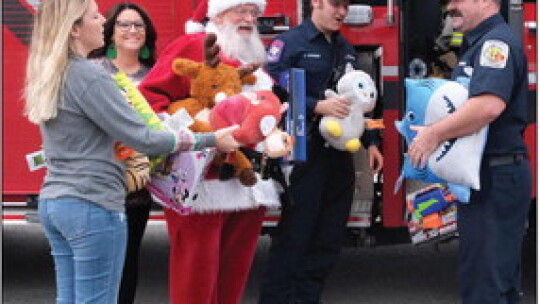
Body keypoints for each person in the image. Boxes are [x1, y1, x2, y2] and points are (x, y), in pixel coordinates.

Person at [23, 1, 239, 303]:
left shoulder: (53, 71)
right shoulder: (91, 75)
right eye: (95, 16)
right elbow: (144, 138)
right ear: (74, 29)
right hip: (91, 204)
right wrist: (210, 139)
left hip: (55, 201)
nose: (103, 22)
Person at [138, 1, 280, 304]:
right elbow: (150, 100)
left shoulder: (251, 56)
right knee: (196, 279)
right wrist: (194, 131)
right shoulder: (193, 45)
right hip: (201, 182)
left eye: (254, 13)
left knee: (233, 276)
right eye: (240, 10)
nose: (249, 19)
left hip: (247, 181)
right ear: (217, 14)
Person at [257, 0, 384, 303]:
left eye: (345, 6)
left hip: (339, 157)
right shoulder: (289, 44)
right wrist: (316, 105)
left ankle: (307, 298)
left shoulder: (346, 48)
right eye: (335, 5)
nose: (341, 12)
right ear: (315, 3)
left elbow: (355, 103)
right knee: (296, 235)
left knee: (329, 236)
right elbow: (268, 90)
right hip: (303, 154)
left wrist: (370, 142)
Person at [407, 0, 531, 303]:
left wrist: (434, 134)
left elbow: (487, 106)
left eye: (456, 1)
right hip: (486, 177)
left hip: (494, 178)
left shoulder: (495, 44)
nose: (449, 7)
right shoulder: (477, 43)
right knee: (492, 280)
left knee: (485, 286)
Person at [88, 3, 158, 303]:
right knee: (95, 263)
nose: (132, 31)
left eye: (139, 25)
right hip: (99, 180)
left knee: (128, 261)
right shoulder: (94, 71)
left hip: (137, 187)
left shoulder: (155, 75)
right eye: (124, 25)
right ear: (110, 33)